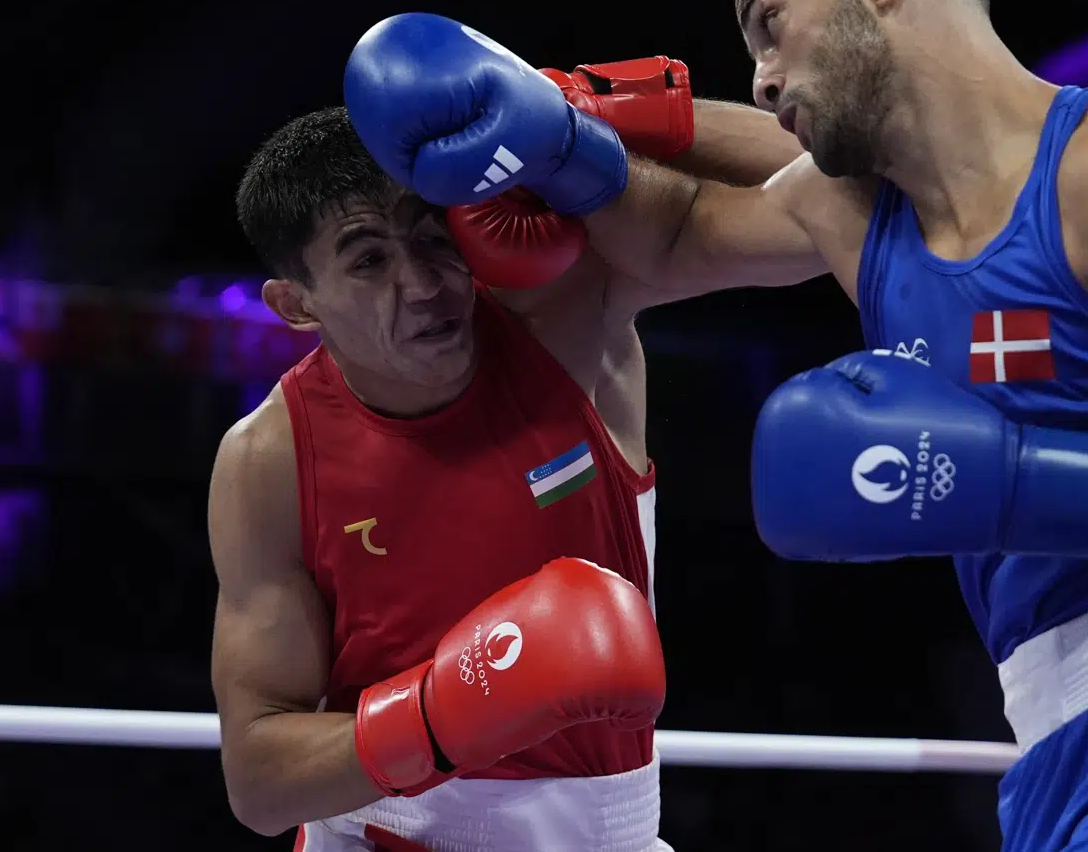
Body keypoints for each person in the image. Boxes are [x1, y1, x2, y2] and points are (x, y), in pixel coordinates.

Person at [338, 0, 1088, 848]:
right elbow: (675, 231)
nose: (763, 76)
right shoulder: (866, 217)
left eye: (770, 22)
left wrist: (1011, 479)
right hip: (1057, 764)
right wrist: (557, 133)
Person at [209, 82, 800, 850]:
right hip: (374, 832)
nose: (423, 286)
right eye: (368, 260)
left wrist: (592, 112)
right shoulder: (270, 456)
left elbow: (820, 193)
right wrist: (445, 711)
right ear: (296, 304)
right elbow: (258, 779)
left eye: (432, 238)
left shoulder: (562, 319)